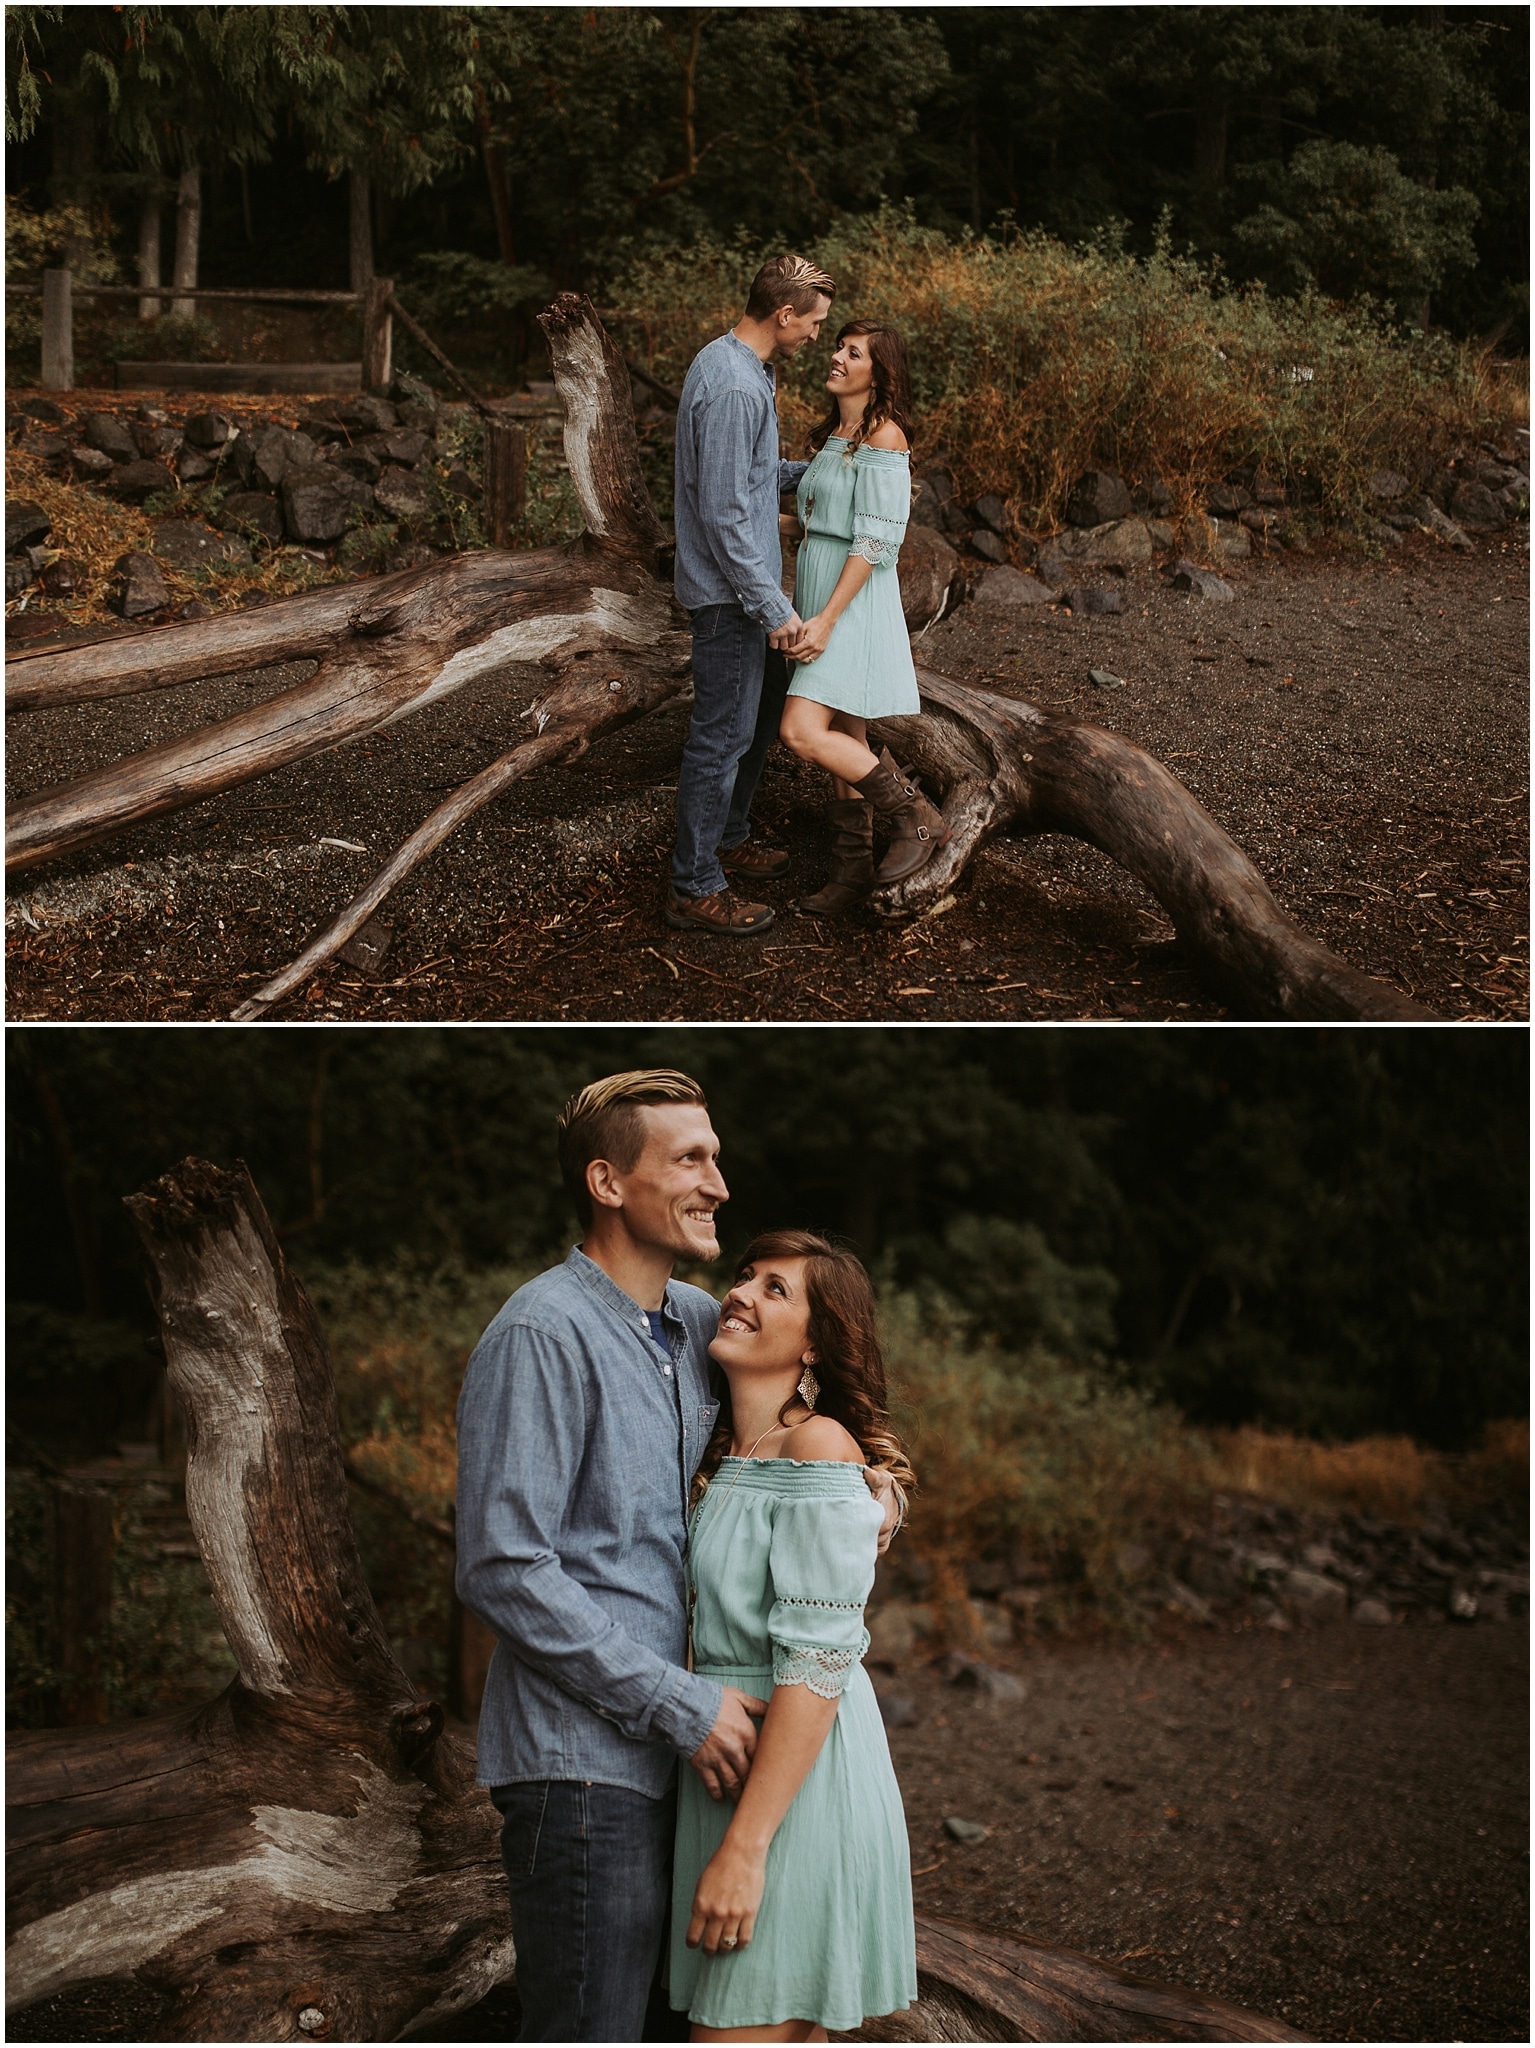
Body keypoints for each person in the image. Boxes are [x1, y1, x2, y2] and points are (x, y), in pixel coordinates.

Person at [454, 1070, 898, 2042]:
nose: (718, 1183)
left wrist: (866, 1486)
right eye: (690, 1158)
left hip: (693, 1768)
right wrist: (683, 1703)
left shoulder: (699, 1324)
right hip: (585, 1767)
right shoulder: (540, 1331)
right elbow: (501, 1566)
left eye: (718, 1156)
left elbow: (809, 1405)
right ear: (609, 1183)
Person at [670, 1230, 919, 2042]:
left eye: (776, 1289)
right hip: (728, 1761)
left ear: (814, 1342)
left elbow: (817, 1664)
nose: (740, 1292)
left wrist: (745, 1850)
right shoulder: (722, 1449)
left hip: (795, 1786)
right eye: (744, 1276)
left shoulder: (814, 1445)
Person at [667, 256, 837, 937]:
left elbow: (754, 476)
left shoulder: (734, 365)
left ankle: (728, 835)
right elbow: (725, 514)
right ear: (783, 314)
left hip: (744, 591)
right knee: (721, 738)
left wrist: (834, 467)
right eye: (815, 324)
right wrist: (776, 610)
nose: (817, 338)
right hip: (730, 599)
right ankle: (693, 887)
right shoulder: (736, 387)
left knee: (758, 718)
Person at [779, 321, 950, 916]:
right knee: (849, 738)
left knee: (800, 732)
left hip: (850, 601)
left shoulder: (884, 436)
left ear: (878, 372)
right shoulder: (839, 433)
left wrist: (824, 619)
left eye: (852, 353)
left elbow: (876, 541)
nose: (835, 357)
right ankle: (851, 873)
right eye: (837, 347)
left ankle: (917, 816)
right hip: (823, 586)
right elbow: (820, 520)